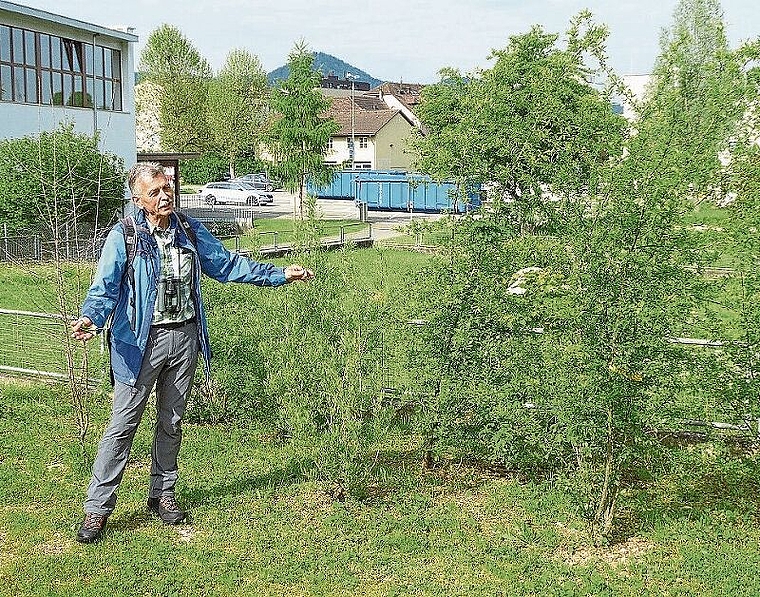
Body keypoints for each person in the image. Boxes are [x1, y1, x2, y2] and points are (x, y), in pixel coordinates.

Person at [71, 162, 313, 543]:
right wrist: (91, 318)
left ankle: (162, 495)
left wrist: (279, 274)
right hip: (138, 344)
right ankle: (97, 509)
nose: (165, 195)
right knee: (122, 426)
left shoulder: (187, 229)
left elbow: (225, 264)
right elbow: (105, 286)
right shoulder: (125, 236)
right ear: (138, 199)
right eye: (155, 191)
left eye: (167, 187)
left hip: (184, 338)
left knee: (171, 422)